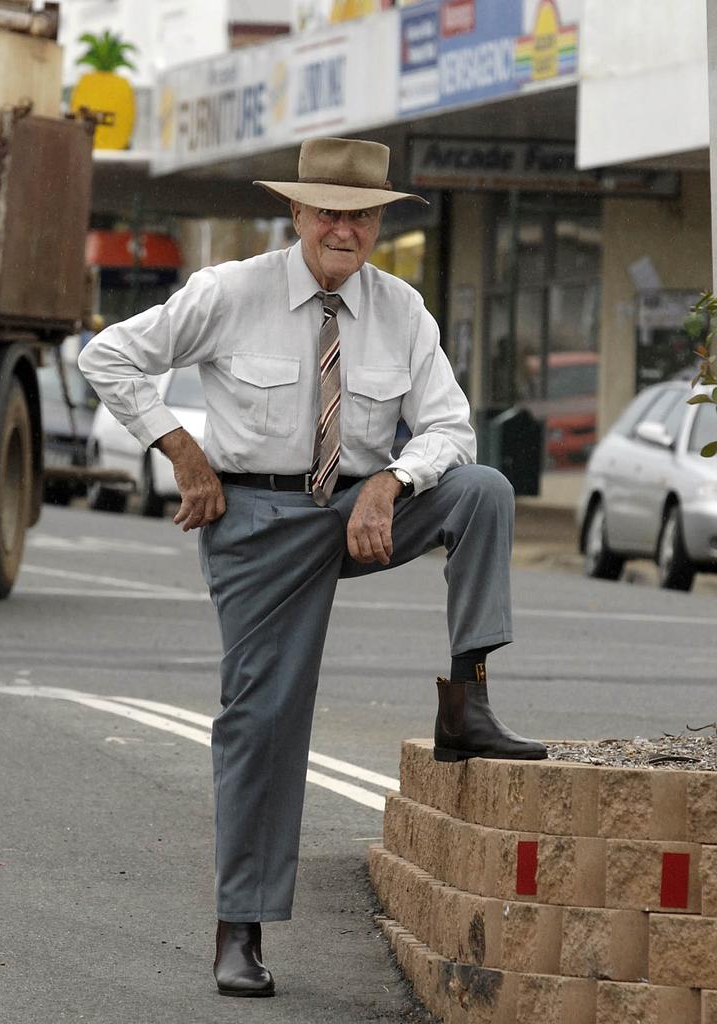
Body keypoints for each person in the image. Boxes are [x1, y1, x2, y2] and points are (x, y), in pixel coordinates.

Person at [78, 136, 547, 999]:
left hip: (360, 510)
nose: (345, 228)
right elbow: (107, 356)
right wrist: (182, 450)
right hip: (256, 518)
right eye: (328, 210)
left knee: (482, 490)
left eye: (361, 214)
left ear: (377, 223)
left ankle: (469, 703)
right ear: (295, 212)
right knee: (264, 714)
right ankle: (241, 926)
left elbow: (450, 429)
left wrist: (392, 482)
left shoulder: (402, 309)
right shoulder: (229, 291)